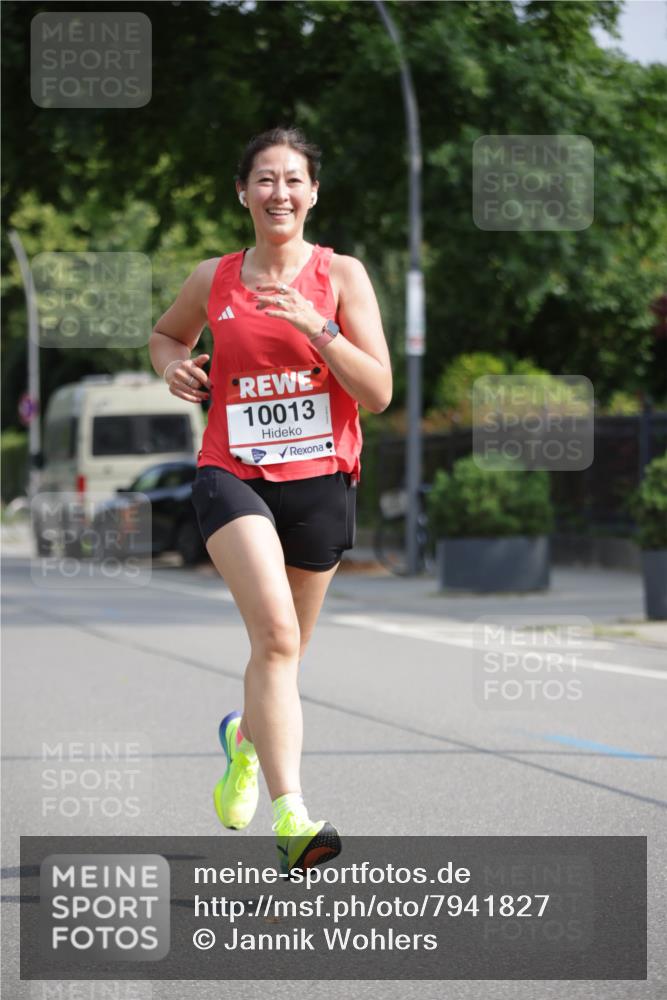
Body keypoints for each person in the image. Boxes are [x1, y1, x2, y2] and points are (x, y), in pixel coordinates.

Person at [149, 126, 392, 875]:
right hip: (234, 474)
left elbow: (378, 393)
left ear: (313, 193)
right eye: (264, 179)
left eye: (292, 179)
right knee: (279, 640)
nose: (278, 192)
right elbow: (165, 335)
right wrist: (172, 366)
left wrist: (316, 328)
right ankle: (294, 818)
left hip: (321, 483)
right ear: (242, 193)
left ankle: (243, 744)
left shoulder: (341, 276)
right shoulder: (212, 278)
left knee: (280, 655)